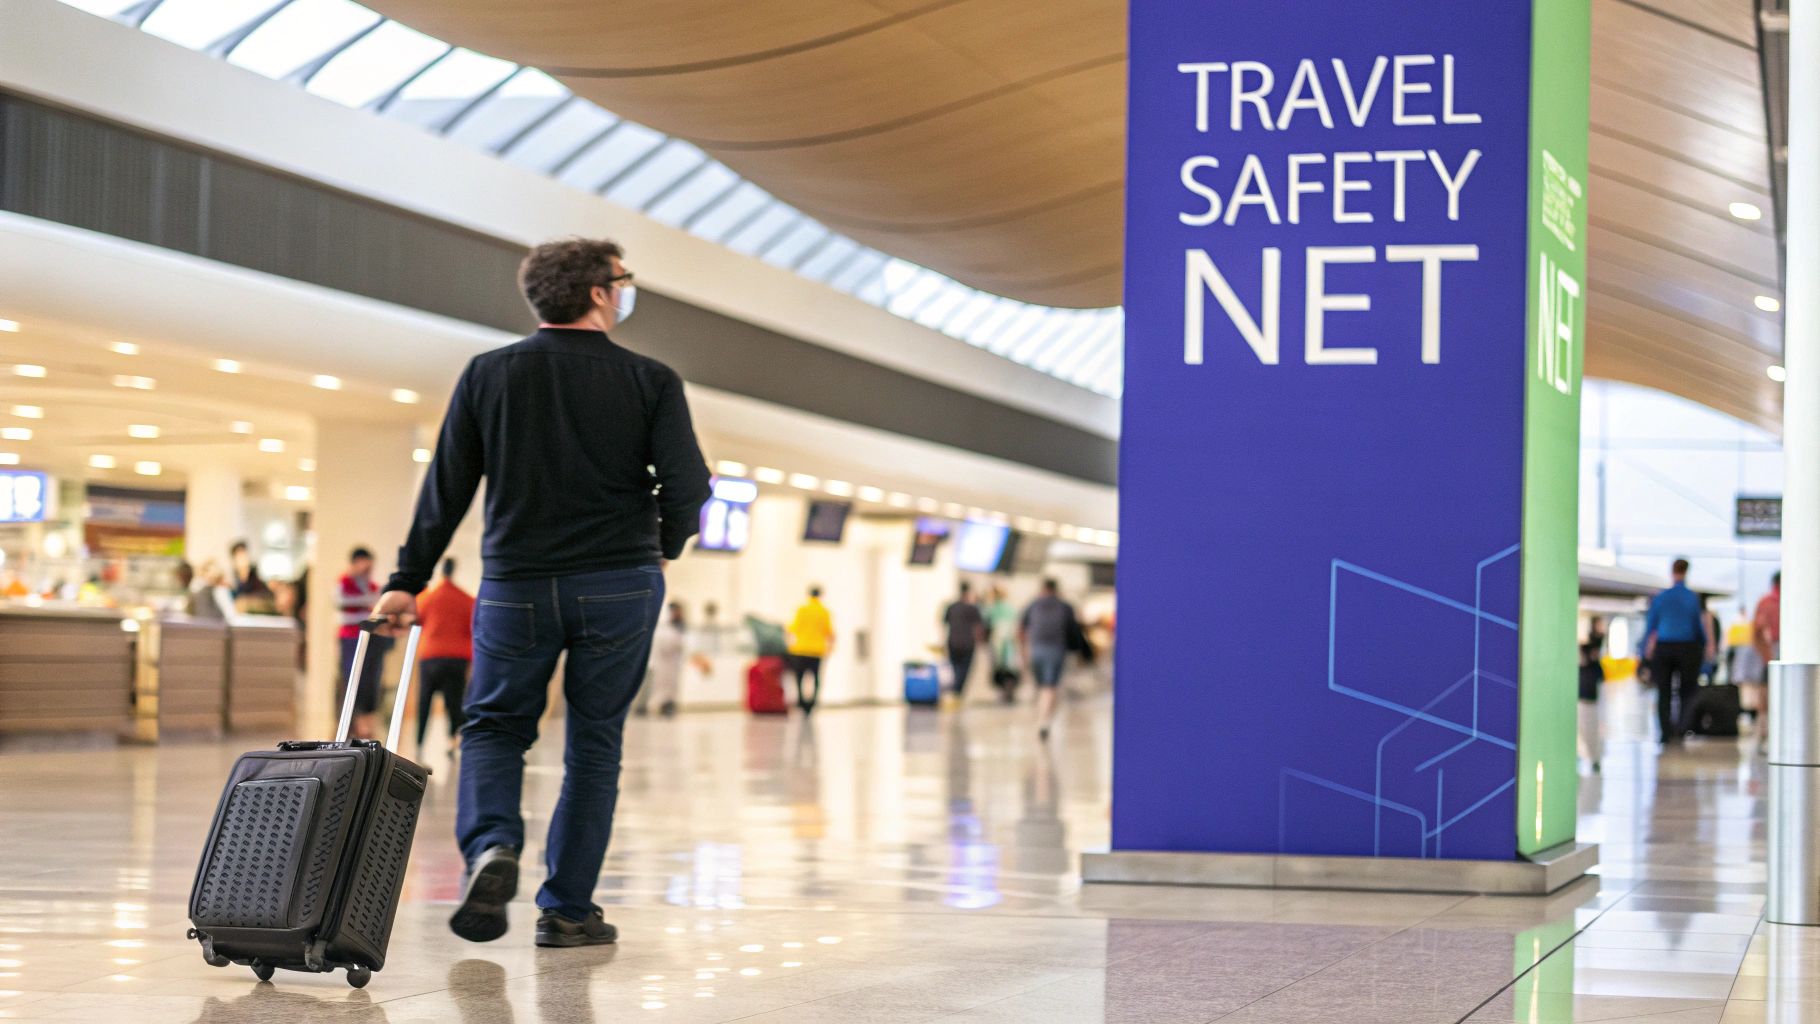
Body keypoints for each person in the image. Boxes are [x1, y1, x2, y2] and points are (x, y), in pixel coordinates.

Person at [371, 237, 711, 949]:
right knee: (595, 741)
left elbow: (449, 488)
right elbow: (689, 485)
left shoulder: (490, 374)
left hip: (516, 584)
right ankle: (568, 911)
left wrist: (408, 580)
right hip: (621, 582)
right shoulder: (650, 379)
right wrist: (665, 547)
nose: (625, 292)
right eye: (621, 281)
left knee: (493, 727)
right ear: (597, 292)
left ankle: (493, 846)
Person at [1645, 558, 1708, 747]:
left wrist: (1645, 653)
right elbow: (1698, 628)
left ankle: (1665, 732)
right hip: (1687, 648)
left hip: (1664, 648)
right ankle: (1681, 729)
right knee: (1686, 691)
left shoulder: (1661, 598)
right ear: (1686, 572)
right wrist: (1705, 646)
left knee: (1663, 691)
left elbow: (1651, 627)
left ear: (1671, 572)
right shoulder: (1691, 598)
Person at [415, 557, 475, 755]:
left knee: (424, 701)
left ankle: (419, 743)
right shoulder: (466, 600)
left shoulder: (427, 598)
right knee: (455, 702)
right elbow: (473, 628)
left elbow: (417, 619)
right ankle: (452, 741)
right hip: (457, 658)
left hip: (431, 656)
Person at [338, 547, 390, 741]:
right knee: (353, 680)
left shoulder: (372, 586)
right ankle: (355, 725)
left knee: (370, 682)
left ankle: (367, 725)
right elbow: (341, 604)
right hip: (351, 639)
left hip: (372, 639)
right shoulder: (345, 583)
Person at [1021, 579, 1080, 740]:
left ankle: (1041, 716)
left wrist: (1023, 652)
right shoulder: (1065, 606)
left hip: (1036, 650)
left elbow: (1021, 628)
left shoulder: (1033, 605)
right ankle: (1044, 721)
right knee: (1050, 687)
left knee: (1041, 687)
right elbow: (1074, 631)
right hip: (1055, 650)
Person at [635, 601, 689, 718]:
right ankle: (644, 707)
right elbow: (672, 646)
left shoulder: (671, 628)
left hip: (664, 665)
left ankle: (662, 706)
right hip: (660, 665)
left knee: (664, 687)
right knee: (657, 687)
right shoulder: (666, 631)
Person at [786, 586, 834, 714]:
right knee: (815, 677)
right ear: (820, 595)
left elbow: (792, 628)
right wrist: (830, 648)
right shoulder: (824, 612)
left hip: (800, 649)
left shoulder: (802, 610)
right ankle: (813, 702)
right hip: (817, 650)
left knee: (800, 677)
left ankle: (801, 700)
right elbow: (829, 632)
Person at [1751, 571, 1782, 752]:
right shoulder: (1773, 602)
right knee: (1767, 696)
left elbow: (1756, 632)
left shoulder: (1765, 602)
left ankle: (1764, 736)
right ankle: (1765, 736)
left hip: (1769, 654)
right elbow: (1757, 631)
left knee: (1766, 697)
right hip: (1776, 651)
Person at [941, 582, 986, 699]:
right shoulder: (972, 608)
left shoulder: (951, 607)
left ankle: (954, 692)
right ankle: (957, 692)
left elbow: (944, 624)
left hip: (953, 642)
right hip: (967, 644)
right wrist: (980, 642)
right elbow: (978, 627)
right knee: (964, 670)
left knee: (955, 668)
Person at [1578, 616, 1606, 773]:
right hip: (1587, 692)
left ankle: (1592, 756)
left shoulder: (1595, 642)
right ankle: (1590, 756)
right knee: (1586, 726)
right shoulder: (1589, 646)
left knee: (1590, 726)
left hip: (1591, 693)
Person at [984, 586, 1020, 702]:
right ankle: (1008, 690)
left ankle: (1004, 691)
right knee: (1009, 668)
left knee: (1000, 668)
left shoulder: (992, 609)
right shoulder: (1010, 608)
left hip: (998, 641)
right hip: (1008, 642)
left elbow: (987, 624)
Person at [229, 540, 276, 613]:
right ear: (234, 559)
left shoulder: (255, 578)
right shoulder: (233, 581)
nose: (243, 559)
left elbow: (266, 595)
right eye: (239, 555)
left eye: (244, 554)